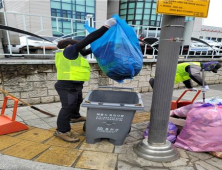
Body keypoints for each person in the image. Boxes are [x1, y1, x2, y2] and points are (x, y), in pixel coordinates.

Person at [54, 18, 117, 143]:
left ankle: (75, 117)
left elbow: (88, 50)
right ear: (69, 45)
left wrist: (105, 44)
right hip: (67, 86)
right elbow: (88, 40)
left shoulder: (72, 53)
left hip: (75, 84)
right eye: (76, 45)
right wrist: (106, 27)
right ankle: (62, 131)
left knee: (77, 102)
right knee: (67, 107)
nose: (79, 47)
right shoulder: (69, 50)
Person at [149, 61, 221, 91]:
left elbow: (186, 78)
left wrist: (190, 88)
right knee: (160, 102)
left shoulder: (195, 66)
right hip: (160, 82)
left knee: (162, 102)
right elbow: (194, 75)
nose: (208, 71)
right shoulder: (195, 66)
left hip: (164, 83)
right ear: (210, 66)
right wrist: (204, 84)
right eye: (211, 69)